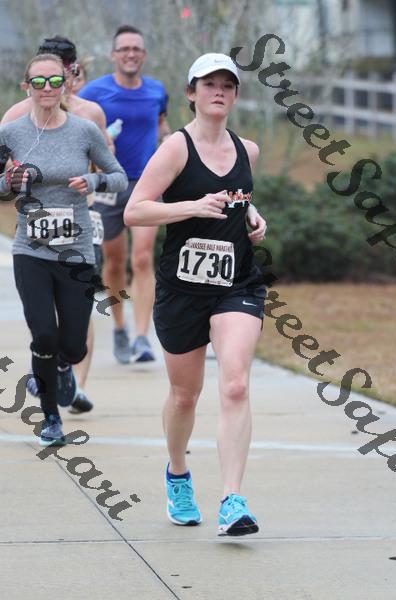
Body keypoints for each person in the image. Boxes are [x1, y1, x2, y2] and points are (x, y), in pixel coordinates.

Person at [123, 53, 267, 536]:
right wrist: (190, 207)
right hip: (182, 290)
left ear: (236, 95)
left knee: (236, 384)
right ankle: (178, 474)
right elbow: (135, 211)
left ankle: (232, 501)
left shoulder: (247, 150)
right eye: (209, 84)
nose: (218, 91)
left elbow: (238, 197)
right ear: (191, 93)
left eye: (227, 84)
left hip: (236, 285)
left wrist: (252, 215)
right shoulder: (175, 149)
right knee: (185, 396)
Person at [0, 53, 127, 445]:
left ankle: (62, 367)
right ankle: (51, 418)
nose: (47, 89)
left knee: (72, 346)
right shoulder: (11, 133)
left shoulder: (84, 131)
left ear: (65, 84)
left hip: (76, 252)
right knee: (44, 336)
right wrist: (10, 183)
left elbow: (119, 177)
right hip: (31, 250)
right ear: (27, 87)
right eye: (38, 82)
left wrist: (93, 183)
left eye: (55, 81)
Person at [79, 24, 171, 364]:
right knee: (114, 262)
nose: (131, 54)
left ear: (143, 55)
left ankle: (143, 338)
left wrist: (173, 148)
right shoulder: (94, 91)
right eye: (124, 49)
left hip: (146, 184)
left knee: (143, 258)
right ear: (113, 55)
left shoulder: (156, 90)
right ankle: (119, 327)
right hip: (108, 185)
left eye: (136, 48)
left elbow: (162, 127)